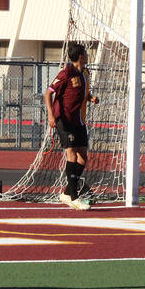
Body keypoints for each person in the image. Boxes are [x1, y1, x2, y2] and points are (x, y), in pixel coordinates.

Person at [44, 43, 99, 210]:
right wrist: (51, 115)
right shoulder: (66, 72)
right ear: (81, 56)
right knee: (72, 154)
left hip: (77, 120)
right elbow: (48, 92)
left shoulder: (84, 73)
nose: (88, 55)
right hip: (64, 119)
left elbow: (80, 93)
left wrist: (90, 98)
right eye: (86, 53)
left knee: (83, 156)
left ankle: (67, 192)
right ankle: (74, 197)